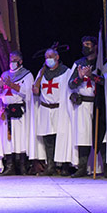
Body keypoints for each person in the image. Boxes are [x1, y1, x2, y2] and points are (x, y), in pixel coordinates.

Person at [32, 46, 71, 174]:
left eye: (50, 57)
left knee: (62, 137)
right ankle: (51, 166)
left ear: (57, 57)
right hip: (45, 109)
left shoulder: (66, 72)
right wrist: (36, 91)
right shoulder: (42, 73)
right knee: (48, 139)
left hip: (60, 109)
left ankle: (65, 165)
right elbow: (37, 90)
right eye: (46, 57)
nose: (48, 60)